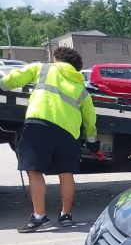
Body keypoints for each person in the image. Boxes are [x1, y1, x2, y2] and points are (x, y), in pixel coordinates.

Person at [0, 47, 97, 232]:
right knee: (66, 172)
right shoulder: (80, 87)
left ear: (58, 59)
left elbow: (15, 78)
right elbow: (90, 117)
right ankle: (66, 215)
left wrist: (2, 84)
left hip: (40, 123)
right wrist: (92, 141)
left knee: (34, 170)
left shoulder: (43, 69)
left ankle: (40, 217)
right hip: (69, 132)